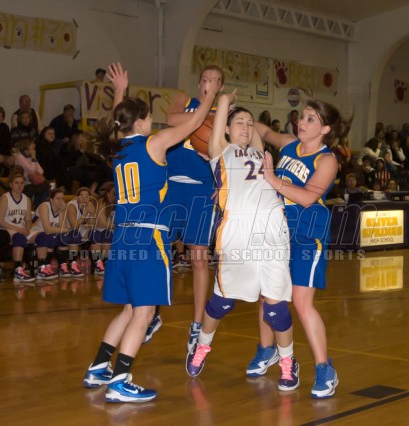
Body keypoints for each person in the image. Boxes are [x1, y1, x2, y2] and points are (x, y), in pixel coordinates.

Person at [82, 62, 220, 403]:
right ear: (142, 122)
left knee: (130, 308)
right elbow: (193, 123)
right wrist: (212, 96)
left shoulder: (118, 147)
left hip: (122, 238)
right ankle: (120, 380)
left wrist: (119, 91)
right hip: (148, 238)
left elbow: (119, 120)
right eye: (149, 118)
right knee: (144, 312)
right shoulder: (154, 144)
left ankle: (98, 366)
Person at [185, 91, 299, 393]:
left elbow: (258, 136)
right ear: (226, 128)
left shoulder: (261, 153)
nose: (246, 127)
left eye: (250, 123)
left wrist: (248, 121)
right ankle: (202, 346)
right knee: (221, 303)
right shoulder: (220, 151)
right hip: (237, 232)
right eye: (239, 123)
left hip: (272, 229)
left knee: (275, 309)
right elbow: (220, 121)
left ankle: (288, 362)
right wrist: (224, 99)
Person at [254, 99, 352, 399]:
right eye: (302, 117)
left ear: (325, 129)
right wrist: (234, 117)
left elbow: (308, 197)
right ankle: (268, 350)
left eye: (310, 119)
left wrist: (272, 180)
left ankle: (325, 369)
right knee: (267, 295)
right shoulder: (288, 144)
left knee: (301, 301)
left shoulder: (327, 161)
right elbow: (262, 131)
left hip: (308, 235)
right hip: (279, 232)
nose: (302, 122)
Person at [165, 64, 224, 351]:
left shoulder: (225, 115)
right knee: (157, 251)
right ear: (199, 83)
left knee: (199, 258)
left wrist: (223, 183)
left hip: (202, 189)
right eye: (205, 78)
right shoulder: (183, 99)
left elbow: (230, 152)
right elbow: (171, 118)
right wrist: (207, 114)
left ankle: (197, 324)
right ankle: (150, 312)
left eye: (215, 80)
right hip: (171, 184)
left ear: (220, 87)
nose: (209, 83)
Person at [0, 172, 39, 283]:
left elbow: (28, 219)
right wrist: (21, 230)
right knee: (19, 237)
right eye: (16, 183)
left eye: (21, 183)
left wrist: (28, 228)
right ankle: (18, 270)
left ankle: (41, 268)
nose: (19, 186)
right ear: (10, 184)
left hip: (22, 229)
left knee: (43, 237)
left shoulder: (27, 199)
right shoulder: (5, 198)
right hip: (6, 230)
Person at [29, 188, 77, 280]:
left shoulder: (60, 210)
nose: (61, 201)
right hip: (35, 233)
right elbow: (48, 229)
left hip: (49, 234)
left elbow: (62, 228)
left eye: (62, 199)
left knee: (64, 237)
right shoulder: (44, 206)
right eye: (58, 198)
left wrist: (62, 212)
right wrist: (66, 230)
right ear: (51, 199)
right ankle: (44, 266)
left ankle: (63, 266)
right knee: (49, 237)